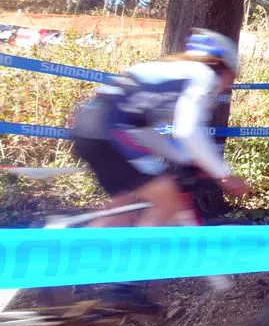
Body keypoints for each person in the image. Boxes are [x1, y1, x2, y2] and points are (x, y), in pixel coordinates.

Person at [71, 29, 250, 308]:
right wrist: (223, 174)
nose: (228, 85)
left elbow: (149, 130)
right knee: (167, 199)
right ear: (219, 65)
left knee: (122, 204)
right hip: (110, 131)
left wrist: (184, 159)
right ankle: (124, 286)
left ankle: (68, 262)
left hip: (89, 128)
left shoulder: (169, 72)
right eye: (232, 77)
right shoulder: (201, 75)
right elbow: (188, 129)